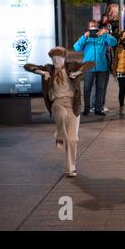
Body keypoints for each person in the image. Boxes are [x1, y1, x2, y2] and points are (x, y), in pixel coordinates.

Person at [24, 47, 95, 177]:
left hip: (73, 104)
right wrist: (41, 72)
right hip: (57, 102)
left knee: (73, 139)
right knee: (60, 114)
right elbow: (27, 66)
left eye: (59, 58)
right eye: (53, 58)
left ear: (64, 58)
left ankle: (71, 168)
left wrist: (78, 72)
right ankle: (60, 134)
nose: (56, 61)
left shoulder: (72, 66)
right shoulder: (48, 69)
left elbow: (91, 64)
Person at [73, 20, 117, 116]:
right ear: (88, 28)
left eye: (95, 26)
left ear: (98, 27)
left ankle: (98, 109)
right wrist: (84, 37)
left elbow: (114, 42)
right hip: (88, 67)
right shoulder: (86, 38)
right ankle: (87, 109)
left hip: (102, 67)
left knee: (100, 88)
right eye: (91, 26)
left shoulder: (102, 37)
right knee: (87, 88)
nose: (93, 27)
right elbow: (76, 48)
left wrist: (105, 34)